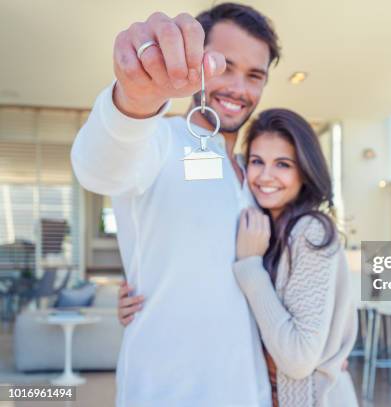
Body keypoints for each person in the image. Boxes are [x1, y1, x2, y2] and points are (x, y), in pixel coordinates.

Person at [71, 3, 281, 406]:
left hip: (247, 389)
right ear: (197, 62)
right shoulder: (158, 139)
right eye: (223, 66)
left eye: (254, 75)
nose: (239, 88)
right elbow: (100, 169)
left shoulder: (254, 174)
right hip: (166, 391)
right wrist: (134, 99)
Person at [123, 108, 360, 406]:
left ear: (305, 171)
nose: (265, 176)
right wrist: (142, 290)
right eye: (257, 161)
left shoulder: (309, 231)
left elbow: (298, 359)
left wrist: (250, 267)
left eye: (283, 164)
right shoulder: (262, 224)